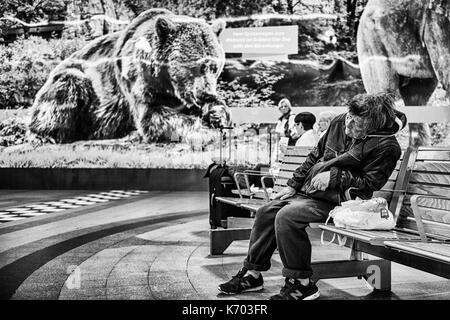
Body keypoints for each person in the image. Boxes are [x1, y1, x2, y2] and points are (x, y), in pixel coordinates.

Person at [218, 92, 407, 300]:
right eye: (349, 117)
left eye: (357, 123)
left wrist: (335, 177)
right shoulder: (339, 122)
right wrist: (292, 185)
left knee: (288, 216)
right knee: (266, 211)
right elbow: (315, 155)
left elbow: (370, 184)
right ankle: (253, 274)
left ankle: (302, 283)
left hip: (343, 203)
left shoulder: (388, 147)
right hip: (312, 193)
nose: (348, 125)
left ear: (373, 124)